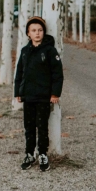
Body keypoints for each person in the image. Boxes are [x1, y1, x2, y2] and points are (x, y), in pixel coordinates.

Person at [14, 16, 63, 172]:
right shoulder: (24, 52)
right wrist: (18, 92)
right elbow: (19, 73)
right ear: (28, 33)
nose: (37, 33)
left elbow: (57, 74)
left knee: (42, 126)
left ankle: (42, 154)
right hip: (28, 96)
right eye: (34, 30)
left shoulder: (49, 51)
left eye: (40, 30)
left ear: (44, 32)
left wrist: (55, 94)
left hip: (43, 96)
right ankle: (29, 154)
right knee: (29, 126)